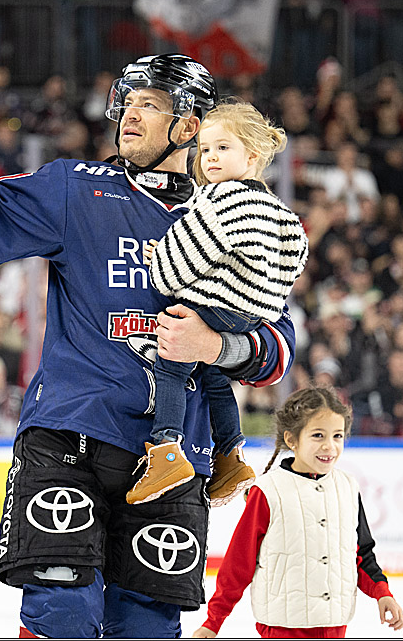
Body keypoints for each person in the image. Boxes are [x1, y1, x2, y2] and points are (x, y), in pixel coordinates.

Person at [0, 42, 297, 638]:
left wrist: (215, 349)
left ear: (189, 125)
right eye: (127, 102)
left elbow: (277, 346)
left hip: (173, 460)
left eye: (149, 104)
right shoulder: (77, 188)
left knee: (144, 629)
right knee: (60, 617)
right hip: (71, 431)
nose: (128, 115)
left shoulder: (241, 209)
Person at [129, 100, 309, 507]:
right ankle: (231, 454)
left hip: (213, 305)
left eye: (222, 148)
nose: (209, 157)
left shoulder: (219, 200)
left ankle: (166, 450)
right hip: (252, 315)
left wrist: (158, 256)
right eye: (205, 149)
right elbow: (294, 262)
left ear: (253, 155)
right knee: (214, 377)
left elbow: (170, 274)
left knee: (172, 364)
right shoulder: (282, 212)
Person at [191, 387, 403, 639]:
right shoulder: (269, 491)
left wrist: (382, 593)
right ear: (292, 439)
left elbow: (361, 554)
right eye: (318, 435)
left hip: (335, 626)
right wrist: (213, 621)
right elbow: (238, 564)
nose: (330, 446)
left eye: (337, 436)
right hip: (282, 628)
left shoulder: (347, 488)